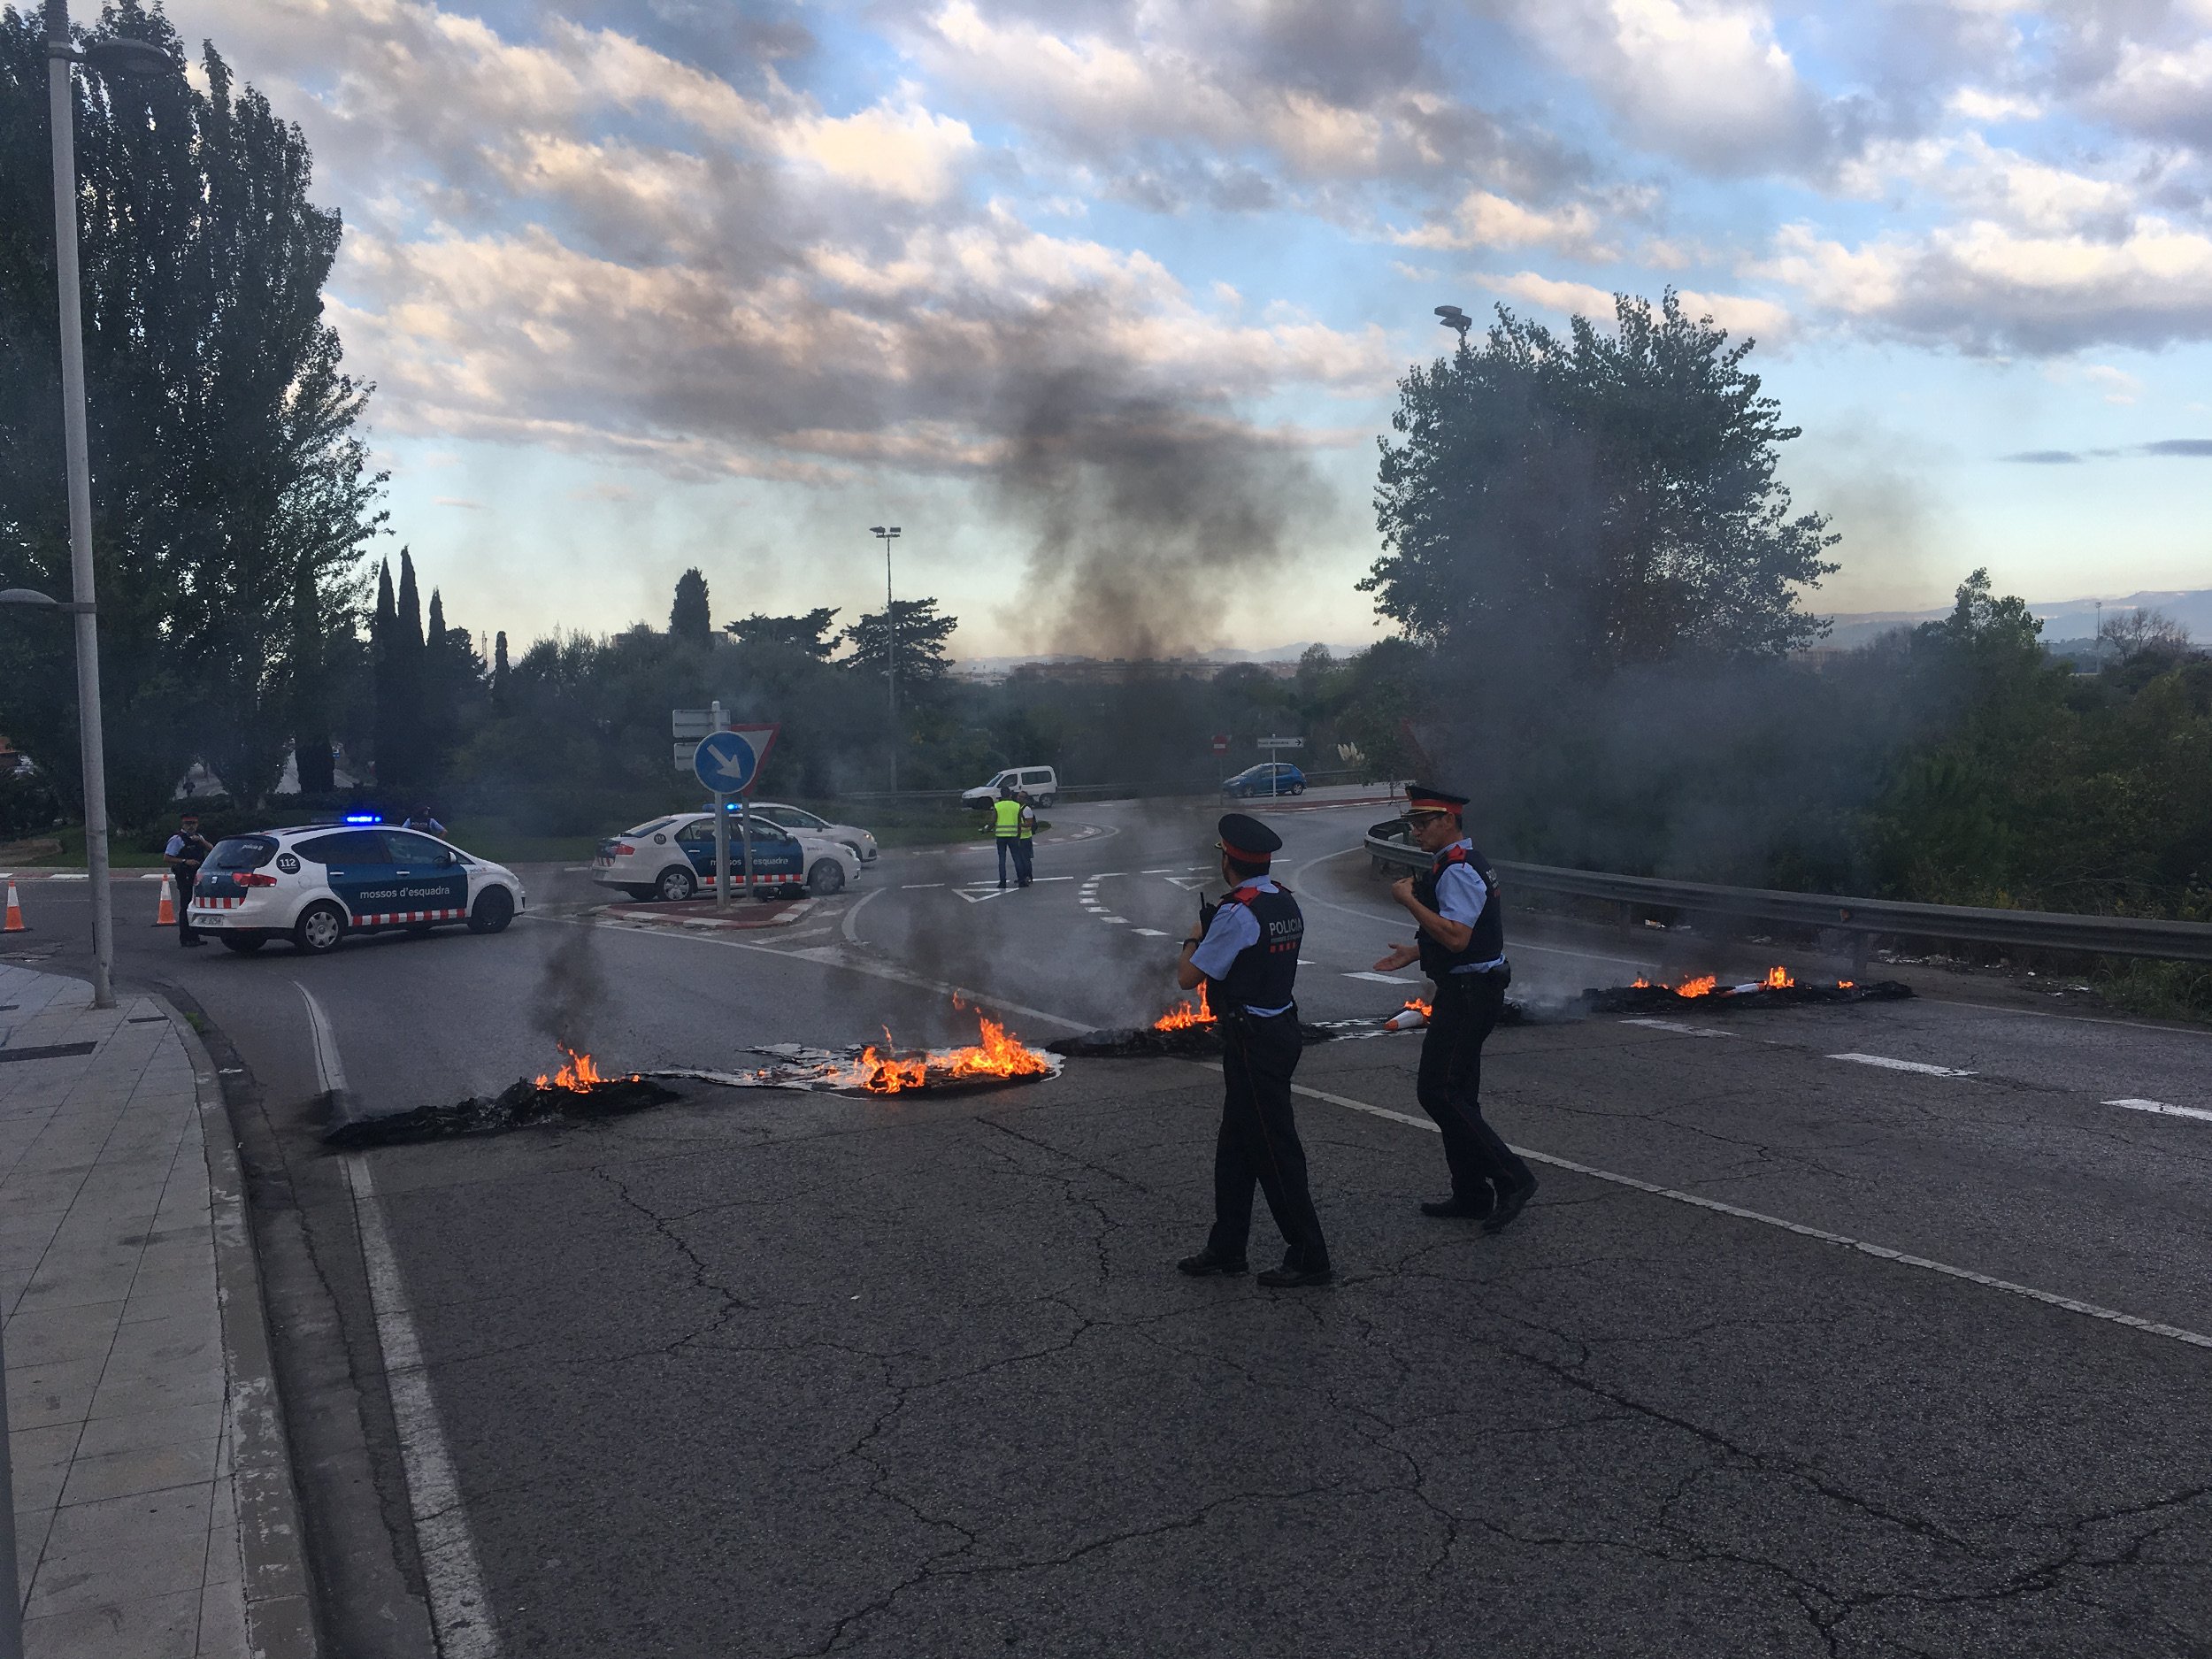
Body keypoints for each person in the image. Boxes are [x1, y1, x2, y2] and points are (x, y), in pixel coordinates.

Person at [1174, 812, 1333, 1288]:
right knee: (1236, 1148)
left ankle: (1310, 1254)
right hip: (1278, 1028)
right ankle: (1228, 1247)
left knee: (1273, 1148)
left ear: (1229, 859)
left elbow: (1189, 977)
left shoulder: (1236, 912)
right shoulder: (1283, 900)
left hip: (1254, 1042)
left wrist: (1194, 936)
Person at [1372, 783, 1538, 1233]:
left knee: (1438, 1091)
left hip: (1470, 993)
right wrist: (1416, 951)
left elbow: (1458, 937)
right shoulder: (1456, 864)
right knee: (1458, 1093)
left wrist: (1407, 901)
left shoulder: (1459, 869)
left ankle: (1513, 1178)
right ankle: (1470, 1193)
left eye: (1424, 823)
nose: (1417, 831)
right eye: (1413, 824)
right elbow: (1459, 936)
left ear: (1450, 821)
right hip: (1468, 986)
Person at [164, 812, 213, 949]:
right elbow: (167, 857)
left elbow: (212, 849)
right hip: (184, 874)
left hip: (197, 875)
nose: (191, 826)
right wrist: (185, 861)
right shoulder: (178, 839)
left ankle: (194, 936)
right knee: (186, 905)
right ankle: (185, 937)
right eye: (188, 824)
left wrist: (201, 841)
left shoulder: (198, 838)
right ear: (183, 825)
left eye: (194, 823)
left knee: (196, 904)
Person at [988, 781, 1023, 889]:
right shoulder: (1016, 806)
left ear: (1001, 795)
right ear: (1010, 795)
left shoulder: (997, 806)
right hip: (1013, 836)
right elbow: (1019, 823)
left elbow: (993, 821)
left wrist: (987, 828)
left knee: (1002, 860)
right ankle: (1021, 880)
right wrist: (1019, 836)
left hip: (1001, 837)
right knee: (1017, 858)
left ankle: (1002, 882)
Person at [1011, 792, 1037, 887]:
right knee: (1019, 859)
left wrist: (1019, 825)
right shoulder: (1017, 808)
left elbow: (1029, 823)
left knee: (1026, 859)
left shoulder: (1026, 809)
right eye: (1018, 796)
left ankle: (1028, 876)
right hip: (1017, 837)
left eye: (1022, 797)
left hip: (1025, 837)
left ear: (1025, 799)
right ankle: (1021, 877)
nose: (1019, 798)